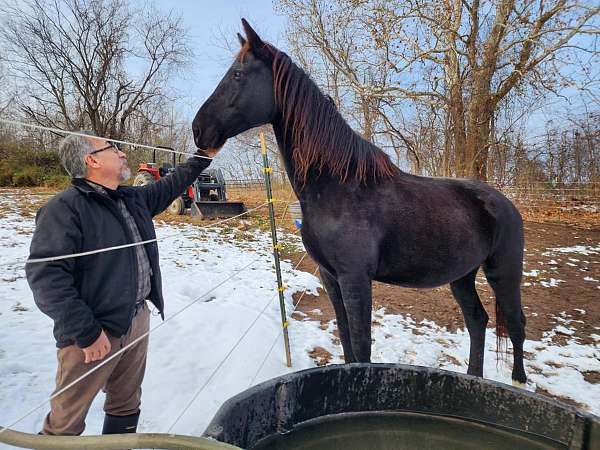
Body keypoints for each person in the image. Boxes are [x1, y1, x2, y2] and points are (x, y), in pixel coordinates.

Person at [25, 133, 218, 436]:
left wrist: (204, 155)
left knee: (126, 402)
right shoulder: (63, 209)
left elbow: (172, 183)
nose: (122, 153)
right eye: (112, 148)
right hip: (91, 335)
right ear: (92, 160)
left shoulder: (131, 198)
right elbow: (46, 278)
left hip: (136, 318)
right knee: (66, 420)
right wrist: (87, 333)